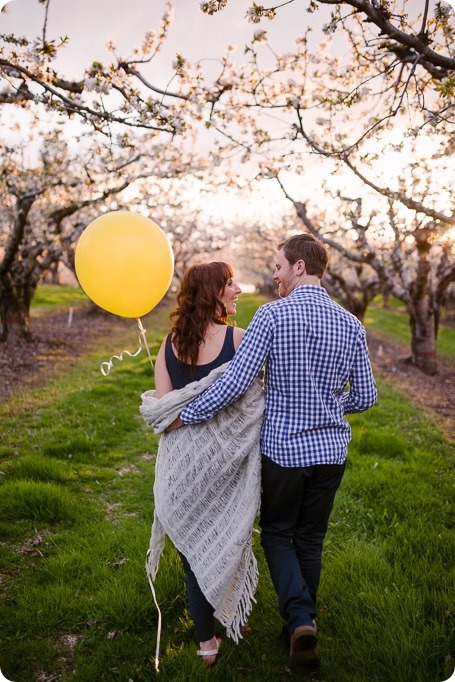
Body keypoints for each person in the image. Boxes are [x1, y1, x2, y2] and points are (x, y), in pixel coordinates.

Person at [172, 234, 378, 674]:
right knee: (311, 539)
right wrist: (328, 407)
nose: (274, 274)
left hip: (285, 452)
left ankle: (300, 618)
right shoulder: (351, 323)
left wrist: (188, 414)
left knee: (278, 535)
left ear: (300, 268)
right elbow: (366, 396)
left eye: (279, 266)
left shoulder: (271, 316)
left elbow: (233, 383)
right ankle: (299, 628)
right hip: (330, 453)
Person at [151, 261, 247, 668]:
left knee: (193, 552)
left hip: (181, 469)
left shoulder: (168, 343)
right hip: (224, 467)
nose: (238, 289)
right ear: (214, 293)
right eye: (230, 284)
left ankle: (206, 644)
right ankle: (230, 615)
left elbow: (163, 410)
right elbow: (251, 403)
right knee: (229, 539)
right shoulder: (239, 340)